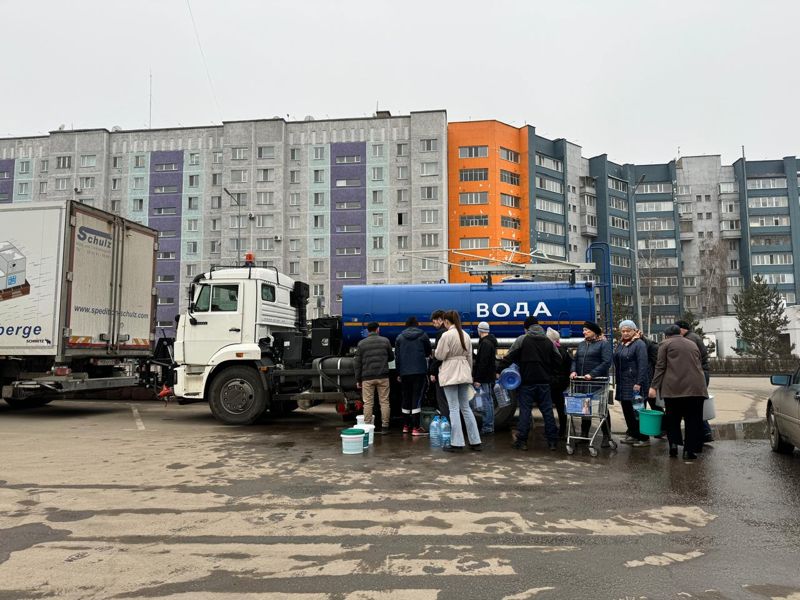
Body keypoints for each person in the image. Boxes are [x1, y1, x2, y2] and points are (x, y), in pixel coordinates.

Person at [499, 316, 561, 451]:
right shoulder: (548, 341)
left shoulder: (522, 339)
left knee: (525, 411)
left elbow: (509, 357)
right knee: (547, 412)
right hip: (544, 383)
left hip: (527, 383)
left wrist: (498, 370)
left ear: (526, 328)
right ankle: (552, 442)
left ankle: (522, 442)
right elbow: (558, 360)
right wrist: (551, 375)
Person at [649, 324, 708, 460]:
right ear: (680, 333)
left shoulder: (665, 344)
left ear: (666, 336)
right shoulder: (692, 344)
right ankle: (689, 451)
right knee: (693, 419)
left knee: (673, 418)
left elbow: (660, 366)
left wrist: (654, 387)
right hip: (696, 388)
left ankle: (674, 446)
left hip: (673, 389)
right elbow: (699, 363)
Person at [434, 310, 482, 452]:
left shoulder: (446, 335)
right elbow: (469, 358)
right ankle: (475, 441)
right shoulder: (465, 335)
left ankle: (457, 443)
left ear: (446, 321)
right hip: (464, 372)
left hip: (450, 373)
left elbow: (440, 355)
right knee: (466, 407)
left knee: (453, 408)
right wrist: (469, 374)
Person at [570, 321, 613, 446]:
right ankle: (584, 434)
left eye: (586, 330)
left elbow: (606, 362)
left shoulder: (603, 344)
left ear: (594, 332)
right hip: (583, 381)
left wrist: (592, 374)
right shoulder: (582, 344)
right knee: (585, 407)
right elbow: (575, 360)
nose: (584, 332)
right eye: (583, 330)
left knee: (602, 408)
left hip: (597, 381)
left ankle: (606, 436)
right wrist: (573, 371)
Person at [675, 320, 713, 444]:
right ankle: (705, 433)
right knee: (696, 405)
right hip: (701, 373)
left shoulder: (689, 339)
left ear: (682, 329)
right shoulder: (693, 337)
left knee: (693, 406)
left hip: (697, 375)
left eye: (676, 329)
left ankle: (700, 435)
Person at [614, 320, 651, 447]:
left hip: (635, 383)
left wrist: (639, 382)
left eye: (628, 331)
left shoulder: (639, 344)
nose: (625, 333)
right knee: (627, 410)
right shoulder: (621, 344)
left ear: (634, 331)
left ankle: (644, 438)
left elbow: (643, 364)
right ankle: (633, 434)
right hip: (623, 383)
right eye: (623, 331)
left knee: (638, 412)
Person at [353, 321, 394, 434]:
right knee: (384, 402)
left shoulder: (361, 343)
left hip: (367, 377)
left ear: (367, 331)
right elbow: (391, 357)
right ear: (378, 329)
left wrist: (358, 379)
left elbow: (357, 363)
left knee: (368, 403)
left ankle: (367, 427)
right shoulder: (385, 341)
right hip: (383, 376)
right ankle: (385, 426)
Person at [395, 316, 432, 436]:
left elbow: (397, 357)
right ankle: (416, 427)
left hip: (404, 372)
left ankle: (406, 426)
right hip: (419, 371)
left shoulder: (400, 337)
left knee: (406, 397)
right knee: (417, 398)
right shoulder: (423, 335)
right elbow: (428, 352)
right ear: (417, 324)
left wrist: (399, 373)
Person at [472, 321, 497, 435]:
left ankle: (488, 427)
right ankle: (489, 426)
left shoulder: (485, 343)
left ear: (480, 330)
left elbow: (483, 363)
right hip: (488, 376)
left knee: (486, 402)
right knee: (489, 401)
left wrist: (478, 379)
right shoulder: (489, 342)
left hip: (485, 377)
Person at [546, 327, 571, 438]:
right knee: (561, 408)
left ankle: (552, 430)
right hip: (561, 384)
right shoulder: (564, 351)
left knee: (547, 408)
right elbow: (568, 367)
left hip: (551, 383)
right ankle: (562, 431)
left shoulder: (550, 351)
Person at [428, 309, 449, 416]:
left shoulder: (441, 333)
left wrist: (432, 371)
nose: (433, 324)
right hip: (451, 370)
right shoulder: (452, 331)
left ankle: (446, 421)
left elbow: (439, 355)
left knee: (442, 400)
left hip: (442, 371)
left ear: (440, 320)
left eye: (434, 322)